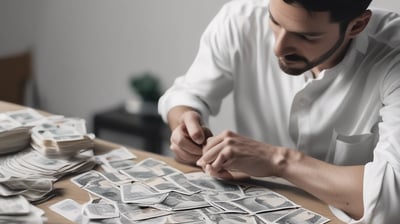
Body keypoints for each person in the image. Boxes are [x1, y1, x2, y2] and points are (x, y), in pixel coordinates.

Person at [158, 0, 400, 223]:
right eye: (275, 21)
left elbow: (391, 199)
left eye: (306, 36)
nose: (278, 47)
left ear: (357, 25)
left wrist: (278, 161)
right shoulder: (240, 19)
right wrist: (184, 121)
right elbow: (188, 94)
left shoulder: (394, 54)